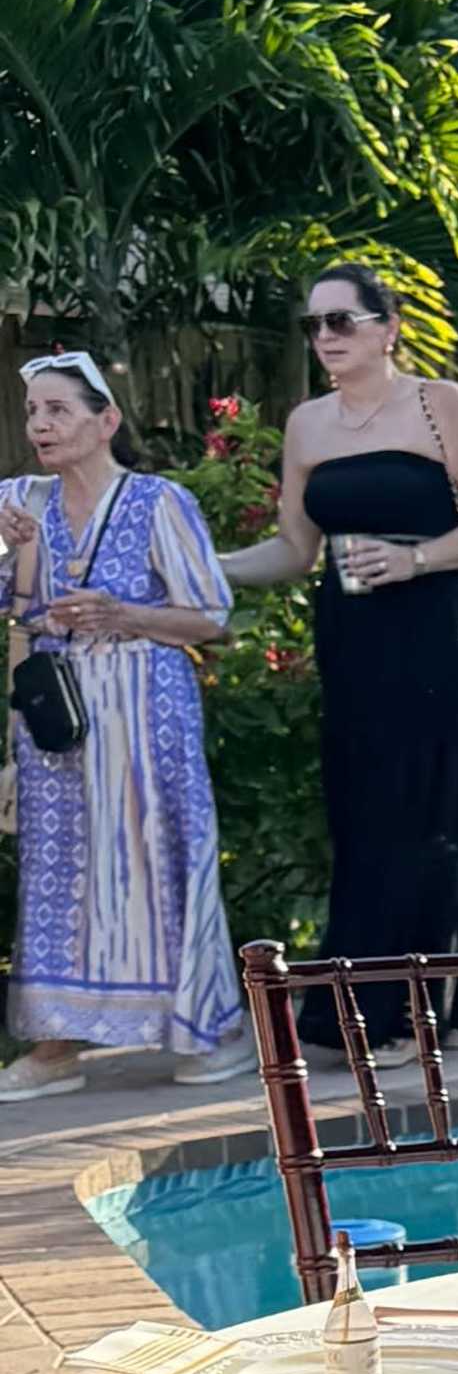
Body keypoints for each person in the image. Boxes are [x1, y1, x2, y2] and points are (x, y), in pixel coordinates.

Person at [223, 262, 458, 1007]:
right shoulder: (307, 423)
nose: (324, 336)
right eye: (314, 324)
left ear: (387, 329)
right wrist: (201, 565)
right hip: (351, 634)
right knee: (363, 812)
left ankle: (403, 1012)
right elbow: (295, 550)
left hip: (436, 630)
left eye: (341, 321)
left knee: (426, 810)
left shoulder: (438, 404)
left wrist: (414, 556)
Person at [3, 348, 248, 1085]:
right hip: (57, 715)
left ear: (105, 420)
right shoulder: (17, 501)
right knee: (58, 866)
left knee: (162, 853)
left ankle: (208, 1033)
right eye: (33, 412)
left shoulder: (159, 502)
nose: (41, 425)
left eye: (58, 410)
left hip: (150, 707)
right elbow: (14, 614)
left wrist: (123, 612)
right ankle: (55, 1047)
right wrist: (19, 554)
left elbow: (209, 615)